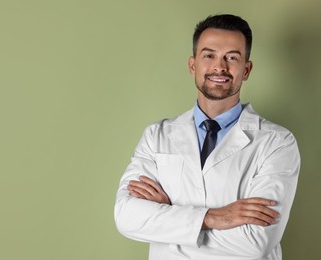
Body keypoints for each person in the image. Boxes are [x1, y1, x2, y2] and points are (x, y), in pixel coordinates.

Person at [114, 14, 300, 260]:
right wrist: (214, 217)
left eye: (232, 57)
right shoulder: (156, 136)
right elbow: (126, 217)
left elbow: (255, 242)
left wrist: (169, 219)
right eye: (209, 55)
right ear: (193, 65)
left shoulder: (277, 143)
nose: (219, 67)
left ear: (246, 69)